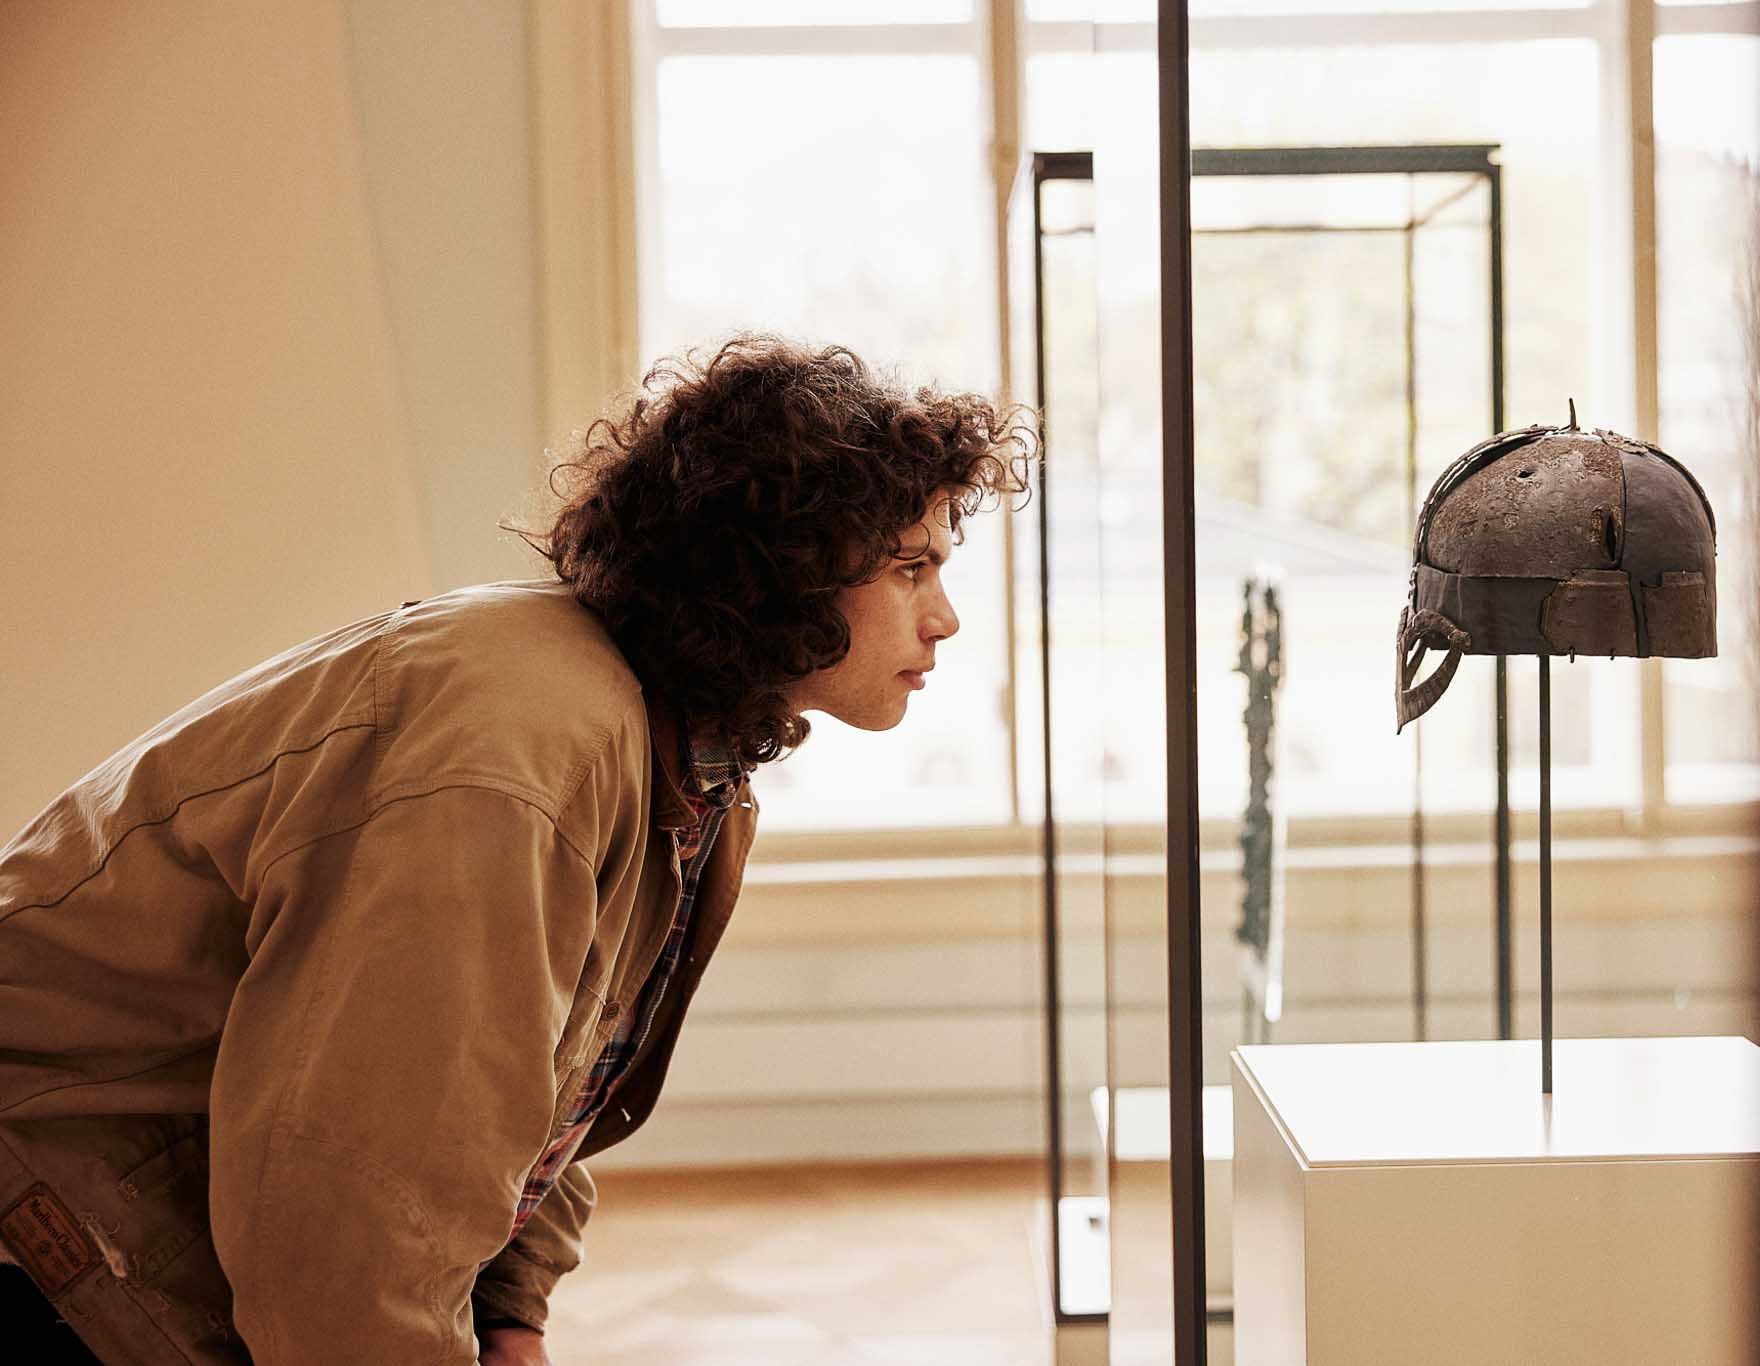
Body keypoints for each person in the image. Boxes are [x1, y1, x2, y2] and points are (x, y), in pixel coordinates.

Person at [0, 335, 1035, 1365]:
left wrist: (511, 1314)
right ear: (778, 570)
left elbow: (541, 1077)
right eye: (910, 568)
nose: (942, 618)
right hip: (47, 1207)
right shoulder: (519, 752)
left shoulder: (676, 748)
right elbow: (351, 1223)